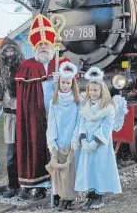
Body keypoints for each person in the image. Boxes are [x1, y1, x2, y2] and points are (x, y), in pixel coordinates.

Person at [15, 14, 69, 200]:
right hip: (35, 114)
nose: (43, 47)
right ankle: (38, 184)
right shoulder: (27, 66)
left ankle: (60, 184)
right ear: (35, 47)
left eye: (46, 43)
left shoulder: (62, 63)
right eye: (40, 45)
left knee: (57, 147)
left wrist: (61, 79)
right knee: (35, 146)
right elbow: (23, 96)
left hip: (58, 114)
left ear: (53, 44)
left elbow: (73, 88)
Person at [75, 67, 124, 209]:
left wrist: (94, 143)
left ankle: (98, 196)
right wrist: (83, 139)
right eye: (90, 90)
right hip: (87, 142)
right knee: (88, 168)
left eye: (96, 90)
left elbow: (106, 128)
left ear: (102, 90)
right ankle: (90, 195)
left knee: (99, 168)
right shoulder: (86, 105)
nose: (93, 93)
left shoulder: (108, 107)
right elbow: (82, 122)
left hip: (100, 144)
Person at [0, 37, 24, 198]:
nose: (9, 54)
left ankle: (26, 184)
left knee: (24, 151)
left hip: (23, 115)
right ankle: (12, 185)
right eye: (7, 51)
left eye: (12, 50)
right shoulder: (0, 69)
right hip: (9, 115)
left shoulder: (23, 67)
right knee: (11, 153)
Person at [45, 61, 82, 211]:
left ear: (72, 83)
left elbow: (79, 122)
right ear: (59, 83)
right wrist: (51, 140)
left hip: (71, 140)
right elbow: (52, 122)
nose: (65, 85)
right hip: (58, 140)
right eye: (63, 83)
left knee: (71, 170)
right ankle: (59, 196)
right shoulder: (54, 102)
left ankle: (70, 198)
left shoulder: (77, 101)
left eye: (68, 83)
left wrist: (75, 138)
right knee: (59, 171)